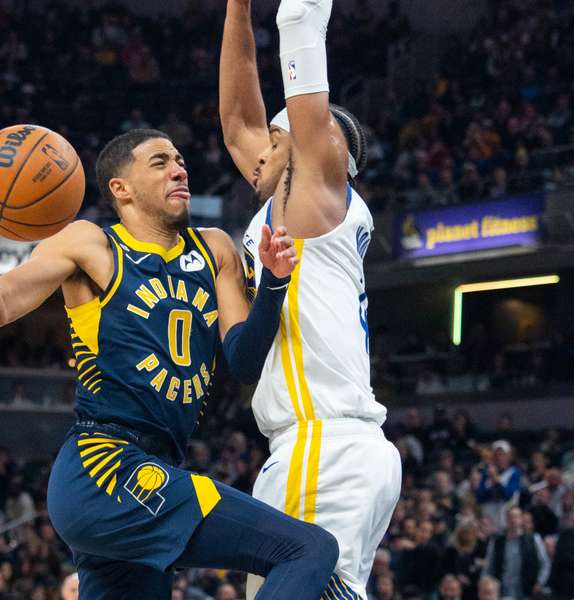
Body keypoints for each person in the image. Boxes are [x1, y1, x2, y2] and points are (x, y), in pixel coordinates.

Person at [0, 130, 339, 600]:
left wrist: (272, 284)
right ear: (120, 189)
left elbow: (244, 362)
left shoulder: (214, 250)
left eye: (181, 159)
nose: (179, 168)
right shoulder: (92, 245)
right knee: (308, 549)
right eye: (160, 161)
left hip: (156, 470)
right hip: (103, 465)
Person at [219, 1, 400, 597]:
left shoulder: (318, 198)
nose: (257, 150)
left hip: (322, 447)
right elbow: (236, 121)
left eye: (275, 139)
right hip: (337, 449)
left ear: (307, 147)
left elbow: (299, 24)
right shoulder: (294, 199)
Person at [483, 507, 550, 600]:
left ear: (521, 519)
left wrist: (539, 583)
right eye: (510, 517)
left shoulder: (534, 539)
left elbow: (545, 564)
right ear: (506, 520)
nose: (513, 520)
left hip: (526, 591)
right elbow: (488, 567)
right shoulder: (496, 542)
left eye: (516, 517)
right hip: (502, 591)